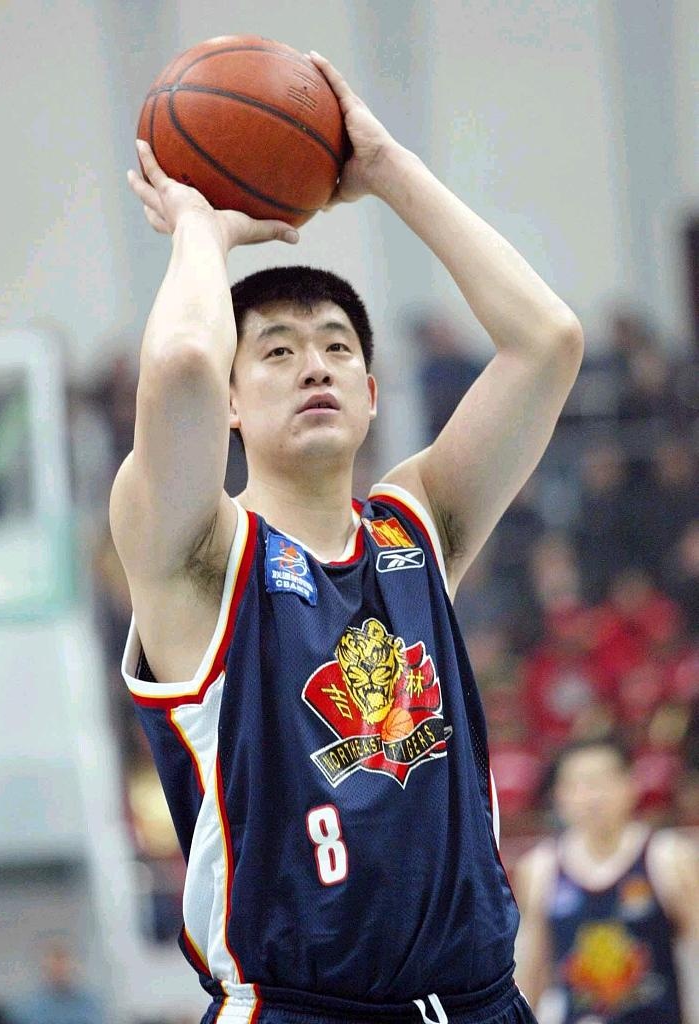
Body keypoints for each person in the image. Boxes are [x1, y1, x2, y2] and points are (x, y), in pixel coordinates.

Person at [113, 50, 584, 1024]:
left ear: (370, 394)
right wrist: (201, 228)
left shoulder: (418, 523)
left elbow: (546, 340)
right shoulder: (199, 555)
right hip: (297, 1007)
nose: (314, 365)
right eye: (277, 351)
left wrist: (386, 168)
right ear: (231, 403)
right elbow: (184, 361)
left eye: (336, 346)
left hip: (483, 1002)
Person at [514, 736, 699, 1023]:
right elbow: (531, 976)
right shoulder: (539, 868)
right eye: (577, 785)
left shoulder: (669, 858)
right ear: (559, 796)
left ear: (631, 784)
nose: (591, 797)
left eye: (601, 781)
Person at [7, 939, 105, 1024]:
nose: (60, 972)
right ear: (45, 970)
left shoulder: (89, 1004)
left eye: (63, 968)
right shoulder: (28, 1007)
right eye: (54, 968)